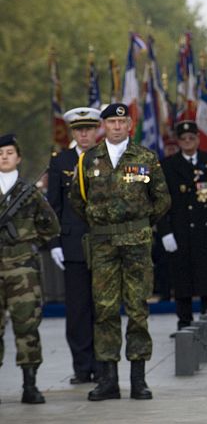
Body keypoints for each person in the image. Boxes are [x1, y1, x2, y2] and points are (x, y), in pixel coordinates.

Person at [69, 103, 171, 401]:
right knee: (105, 310)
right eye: (111, 121)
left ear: (130, 125)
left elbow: (162, 199)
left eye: (121, 121)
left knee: (137, 309)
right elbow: (78, 200)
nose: (116, 126)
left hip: (137, 243)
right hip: (102, 244)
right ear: (104, 126)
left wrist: (140, 223)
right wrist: (102, 221)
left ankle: (138, 379)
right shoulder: (89, 159)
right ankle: (108, 380)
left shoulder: (145, 158)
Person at [0, 133, 60, 404]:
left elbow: (51, 226)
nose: (4, 156)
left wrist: (28, 241)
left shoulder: (29, 193)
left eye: (9, 152)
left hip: (23, 268)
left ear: (19, 157)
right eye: (0, 153)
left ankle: (30, 384)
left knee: (27, 326)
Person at [46, 107, 101, 384]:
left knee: (103, 307)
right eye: (79, 129)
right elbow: (52, 207)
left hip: (104, 244)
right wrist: (54, 242)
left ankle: (104, 365)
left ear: (96, 131)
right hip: (72, 244)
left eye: (89, 128)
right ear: (73, 132)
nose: (84, 134)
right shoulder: (60, 161)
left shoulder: (107, 159)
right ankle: (82, 367)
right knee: (78, 309)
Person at [157, 121, 207, 332]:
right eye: (183, 139)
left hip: (205, 229)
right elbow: (160, 201)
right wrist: (165, 231)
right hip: (179, 230)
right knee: (181, 278)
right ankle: (184, 322)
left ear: (198, 139)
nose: (187, 142)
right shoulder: (167, 165)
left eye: (191, 138)